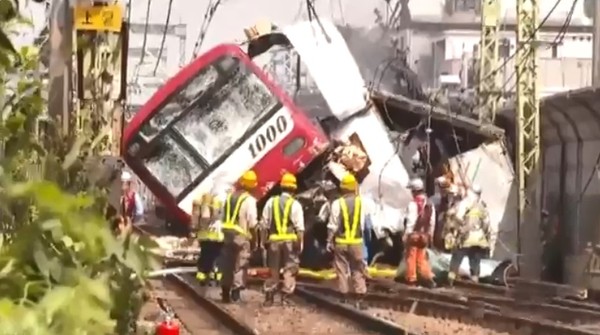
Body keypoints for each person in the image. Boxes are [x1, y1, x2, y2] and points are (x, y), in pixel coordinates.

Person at [326, 173, 370, 309]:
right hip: (357, 242)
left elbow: (332, 225)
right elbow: (366, 225)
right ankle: (360, 298)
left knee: (341, 270)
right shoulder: (363, 202)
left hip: (341, 242)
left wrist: (328, 241)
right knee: (358, 269)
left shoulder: (337, 204)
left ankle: (344, 298)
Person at [260, 173, 305, 306]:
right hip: (290, 242)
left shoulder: (271, 202)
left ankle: (269, 296)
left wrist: (263, 241)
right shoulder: (295, 205)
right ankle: (286, 296)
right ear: (293, 189)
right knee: (290, 269)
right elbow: (300, 228)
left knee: (273, 270)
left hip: (274, 241)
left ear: (281, 187)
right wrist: (299, 244)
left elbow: (264, 225)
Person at [219, 170, 258, 303]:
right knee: (240, 265)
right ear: (252, 186)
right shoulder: (250, 201)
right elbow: (252, 222)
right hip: (241, 235)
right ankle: (235, 294)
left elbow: (223, 216)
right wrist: (254, 240)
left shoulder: (229, 197)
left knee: (227, 264)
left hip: (227, 234)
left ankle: (225, 292)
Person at [447, 184, 493, 286]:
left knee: (456, 258)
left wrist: (456, 230)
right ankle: (474, 283)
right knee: (475, 261)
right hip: (479, 239)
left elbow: (456, 217)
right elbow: (486, 224)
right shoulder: (482, 206)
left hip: (465, 238)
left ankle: (450, 281)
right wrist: (485, 235)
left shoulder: (465, 203)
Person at [403, 178, 436, 288]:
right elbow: (432, 221)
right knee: (422, 256)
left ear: (415, 191)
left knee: (411, 256)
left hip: (414, 234)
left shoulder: (413, 204)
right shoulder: (430, 204)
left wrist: (406, 234)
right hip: (425, 235)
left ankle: (411, 279)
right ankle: (427, 277)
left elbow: (411, 221)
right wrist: (430, 234)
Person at [194, 187, 226, 286]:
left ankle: (202, 277)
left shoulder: (202, 200)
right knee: (217, 257)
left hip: (204, 235)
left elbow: (196, 216)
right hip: (218, 235)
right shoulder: (221, 201)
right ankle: (215, 277)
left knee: (204, 256)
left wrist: (195, 231)